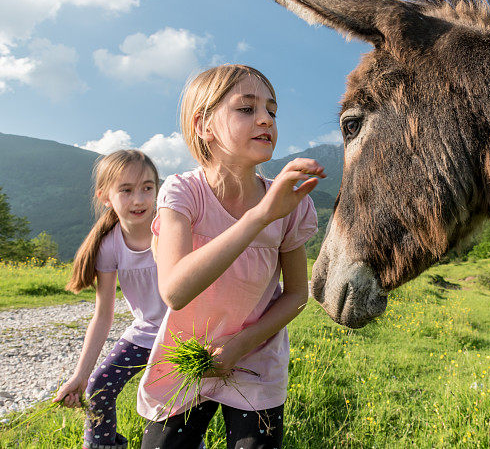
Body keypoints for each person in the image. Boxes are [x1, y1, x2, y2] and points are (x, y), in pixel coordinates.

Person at [137, 64, 322, 448]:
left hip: (256, 358)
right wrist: (259, 216)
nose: (265, 119)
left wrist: (242, 343)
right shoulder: (183, 193)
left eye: (272, 110)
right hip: (187, 352)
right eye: (246, 108)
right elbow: (174, 290)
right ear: (203, 125)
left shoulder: (290, 204)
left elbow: (296, 295)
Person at [54, 150, 167, 449]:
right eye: (126, 190)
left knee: (175, 406)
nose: (139, 199)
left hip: (183, 334)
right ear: (106, 197)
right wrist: (80, 375)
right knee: (99, 387)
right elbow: (103, 316)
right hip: (145, 334)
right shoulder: (109, 245)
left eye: (147, 187)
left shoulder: (172, 227)